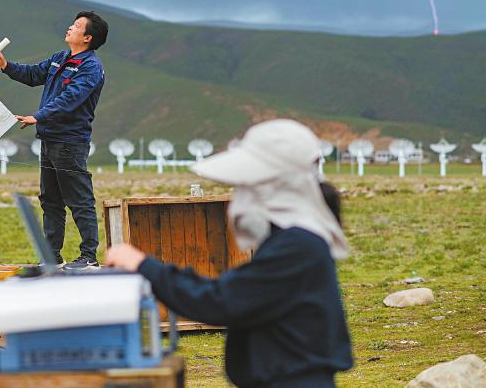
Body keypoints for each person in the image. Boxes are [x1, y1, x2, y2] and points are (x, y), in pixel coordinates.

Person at [106, 119, 354, 387]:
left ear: (271, 185)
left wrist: (144, 265)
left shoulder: (298, 245)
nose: (240, 196)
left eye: (246, 186)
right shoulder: (297, 239)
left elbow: (220, 301)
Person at [0, 11, 108, 270]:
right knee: (51, 200)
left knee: (79, 199)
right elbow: (33, 74)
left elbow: (70, 99)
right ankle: (51, 257)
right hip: (50, 139)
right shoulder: (60, 58)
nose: (70, 27)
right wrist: (5, 65)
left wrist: (38, 116)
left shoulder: (90, 67)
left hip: (70, 142)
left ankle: (89, 257)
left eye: (76, 26)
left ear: (87, 38)